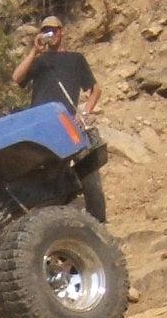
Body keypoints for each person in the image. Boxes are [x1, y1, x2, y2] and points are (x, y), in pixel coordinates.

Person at [11, 17, 107, 221]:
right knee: (46, 173)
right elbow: (17, 78)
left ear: (61, 31)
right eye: (45, 31)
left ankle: (98, 221)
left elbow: (95, 90)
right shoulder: (39, 61)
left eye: (53, 30)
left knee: (89, 172)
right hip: (41, 125)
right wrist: (34, 52)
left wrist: (84, 113)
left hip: (67, 122)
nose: (50, 34)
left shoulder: (75, 59)